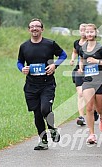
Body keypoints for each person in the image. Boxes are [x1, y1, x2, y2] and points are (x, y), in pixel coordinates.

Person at [17, 18, 67, 150]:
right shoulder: (24, 46)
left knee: (45, 109)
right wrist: (22, 68)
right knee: (37, 114)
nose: (34, 28)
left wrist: (54, 65)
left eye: (37, 26)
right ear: (29, 29)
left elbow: (63, 55)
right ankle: (43, 141)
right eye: (32, 26)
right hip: (31, 86)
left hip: (47, 84)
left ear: (42, 29)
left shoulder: (50, 44)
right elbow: (19, 62)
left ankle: (52, 128)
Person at [78, 23, 102, 144]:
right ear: (84, 33)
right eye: (87, 32)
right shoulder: (82, 47)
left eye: (91, 32)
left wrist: (97, 61)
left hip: (101, 81)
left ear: (95, 33)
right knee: (89, 107)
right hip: (88, 81)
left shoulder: (101, 48)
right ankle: (91, 134)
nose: (89, 34)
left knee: (99, 108)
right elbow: (81, 59)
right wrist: (81, 67)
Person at [70, 23, 99, 126]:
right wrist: (73, 59)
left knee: (91, 95)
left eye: (85, 30)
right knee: (81, 93)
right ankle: (81, 116)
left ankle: (94, 110)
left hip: (91, 71)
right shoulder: (77, 43)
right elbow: (75, 52)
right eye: (81, 30)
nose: (83, 32)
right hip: (79, 70)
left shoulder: (92, 44)